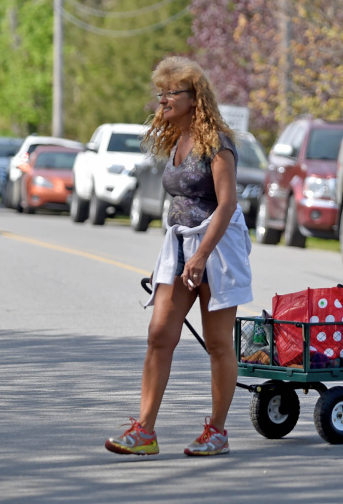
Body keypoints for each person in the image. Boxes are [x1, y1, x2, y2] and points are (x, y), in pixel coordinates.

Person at [105, 56, 253, 456]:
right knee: (159, 335)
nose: (164, 100)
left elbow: (226, 204)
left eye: (172, 92)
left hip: (217, 251)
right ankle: (144, 431)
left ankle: (217, 432)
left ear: (195, 98)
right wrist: (187, 254)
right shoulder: (176, 139)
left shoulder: (218, 143)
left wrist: (201, 255)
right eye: (161, 92)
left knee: (218, 343)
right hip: (180, 247)